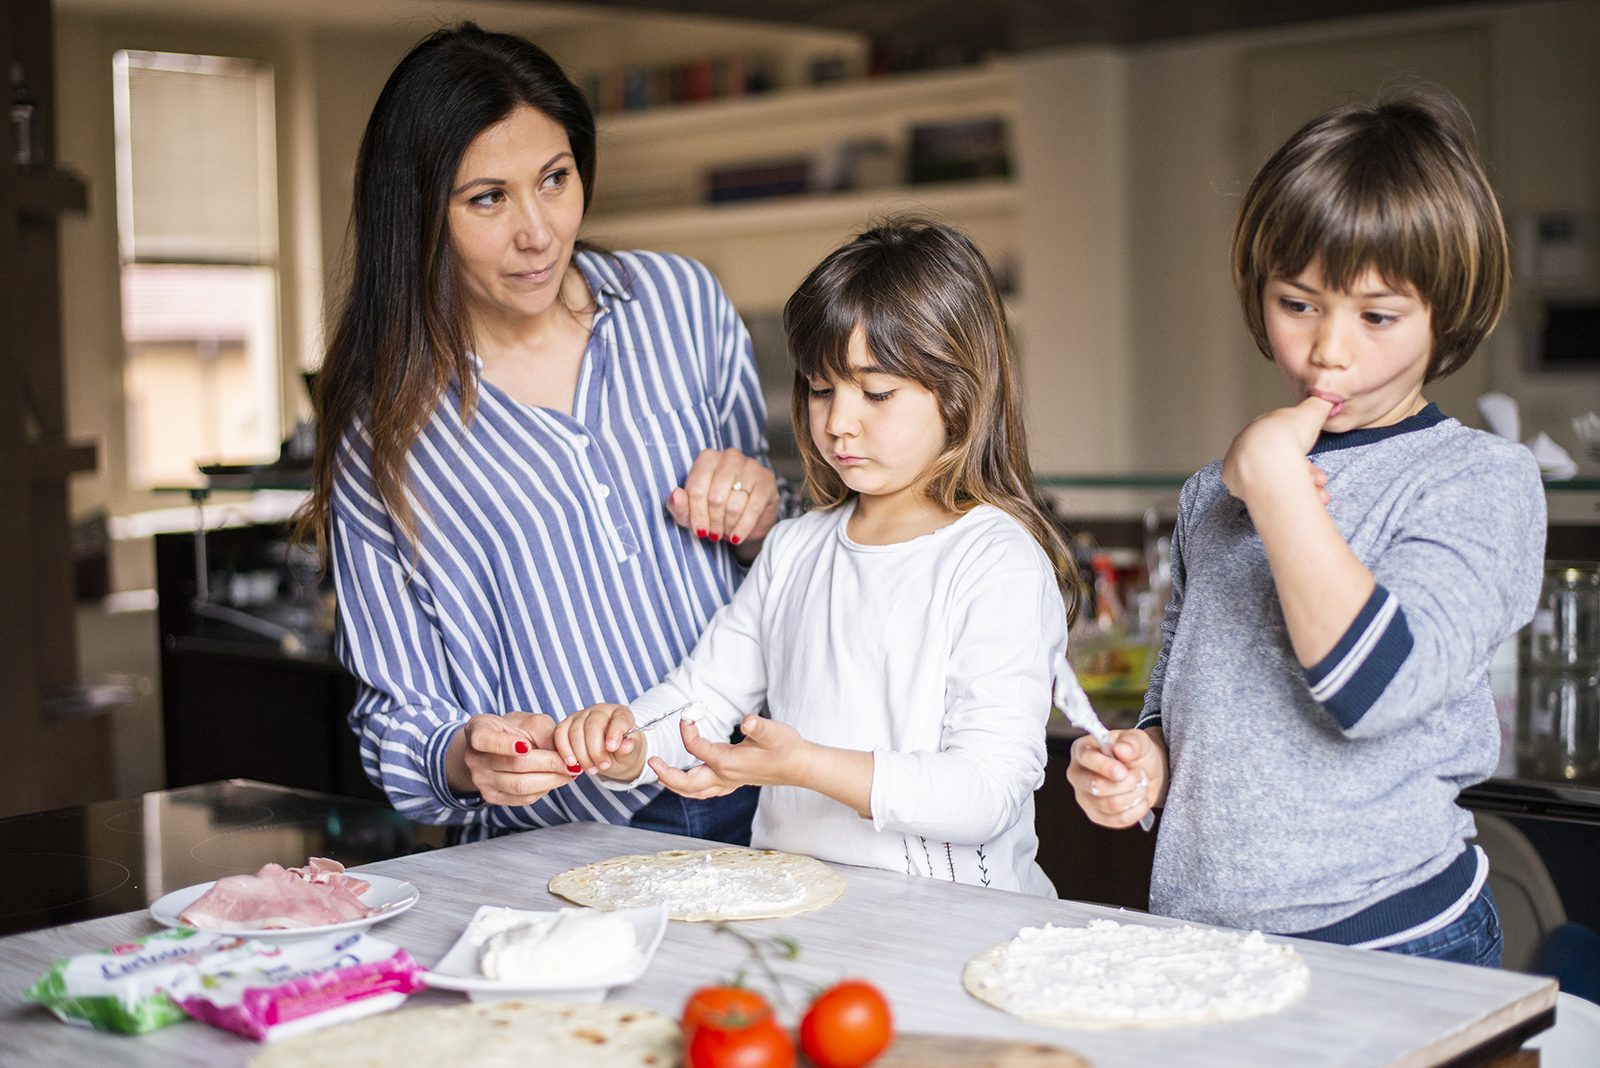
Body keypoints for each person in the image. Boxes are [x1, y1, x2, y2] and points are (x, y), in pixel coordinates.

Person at [1067, 87, 1546, 964]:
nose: (1330, 349)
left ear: (1450, 312)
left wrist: (1279, 490)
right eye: (1298, 304)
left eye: (1377, 316)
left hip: (1396, 940)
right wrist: (1149, 765)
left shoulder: (1479, 481)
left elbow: (1375, 690)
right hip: (1210, 935)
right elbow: (1193, 708)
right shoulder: (1218, 489)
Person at [301, 22, 789, 843]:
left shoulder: (680, 303)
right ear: (418, 215)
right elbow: (396, 716)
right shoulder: (383, 434)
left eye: (554, 179)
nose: (538, 232)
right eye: (487, 198)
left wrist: (766, 513)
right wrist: (465, 757)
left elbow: (802, 556)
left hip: (769, 779)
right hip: (569, 842)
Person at [551, 217, 1078, 895]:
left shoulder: (996, 562)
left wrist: (803, 766)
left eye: (877, 392)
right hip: (802, 916)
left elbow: (986, 794)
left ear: (960, 390)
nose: (837, 421)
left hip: (953, 932)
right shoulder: (796, 549)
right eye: (822, 388)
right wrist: (628, 742)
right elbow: (703, 696)